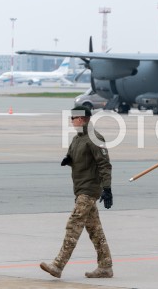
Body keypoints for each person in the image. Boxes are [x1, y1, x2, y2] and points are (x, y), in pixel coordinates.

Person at [40, 106, 114, 278]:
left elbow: (104, 164)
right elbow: (75, 154)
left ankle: (58, 265)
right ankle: (105, 266)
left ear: (81, 119)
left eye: (73, 118)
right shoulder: (77, 138)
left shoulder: (95, 137)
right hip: (80, 188)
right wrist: (69, 159)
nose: (71, 121)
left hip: (88, 190)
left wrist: (107, 188)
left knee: (74, 225)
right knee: (95, 230)